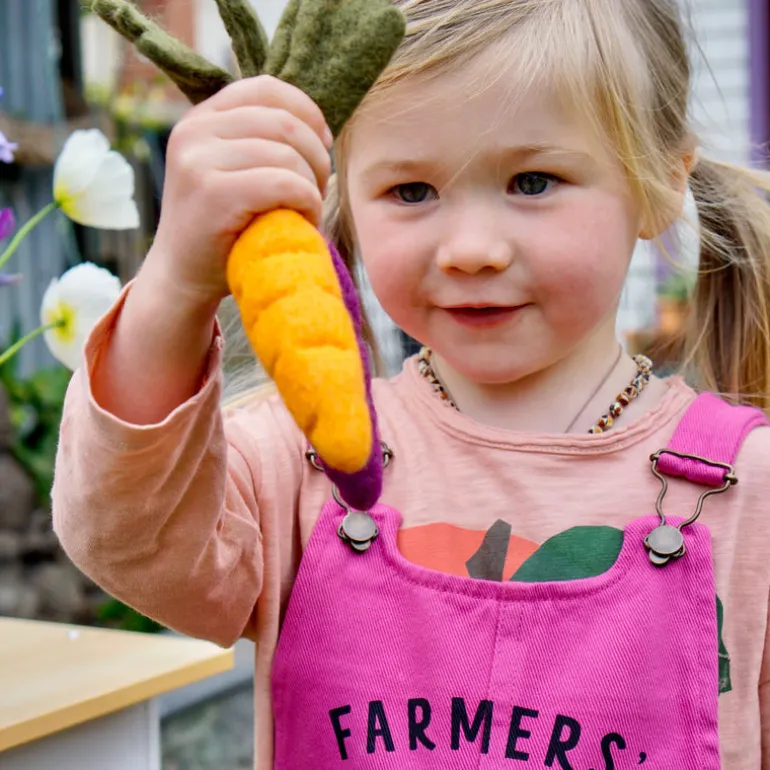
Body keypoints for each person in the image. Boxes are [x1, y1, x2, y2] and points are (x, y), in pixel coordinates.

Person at [52, 0, 770, 767]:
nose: (470, 249)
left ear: (661, 183)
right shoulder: (303, 461)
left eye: (533, 180)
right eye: (412, 191)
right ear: (345, 202)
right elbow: (125, 536)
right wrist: (174, 285)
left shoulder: (747, 495)